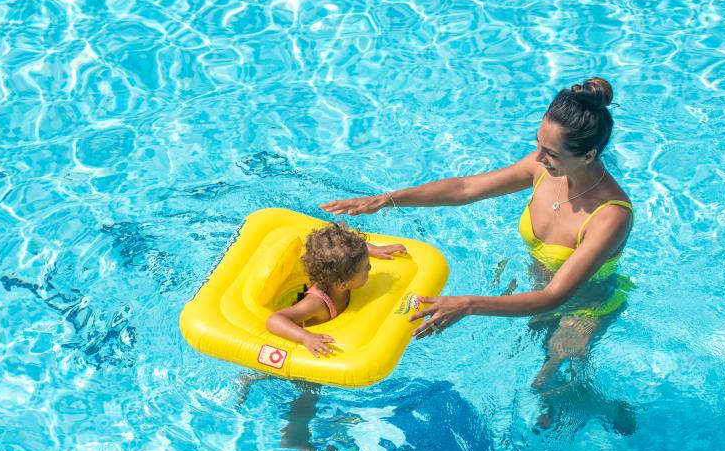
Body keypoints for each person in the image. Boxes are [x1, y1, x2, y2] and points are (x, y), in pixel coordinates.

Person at [321, 77, 635, 432]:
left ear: (589, 155)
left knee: (545, 387)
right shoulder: (541, 167)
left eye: (552, 154)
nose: (539, 156)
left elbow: (555, 296)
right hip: (535, 292)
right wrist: (387, 199)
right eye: (539, 145)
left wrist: (466, 304)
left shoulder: (611, 214)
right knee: (529, 362)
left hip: (583, 307)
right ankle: (567, 401)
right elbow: (467, 188)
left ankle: (609, 410)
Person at [265, 221, 407, 357]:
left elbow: (349, 250)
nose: (370, 267)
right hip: (295, 344)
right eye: (366, 267)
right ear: (343, 284)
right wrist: (306, 337)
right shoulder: (316, 303)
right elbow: (275, 320)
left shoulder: (340, 278)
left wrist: (374, 250)